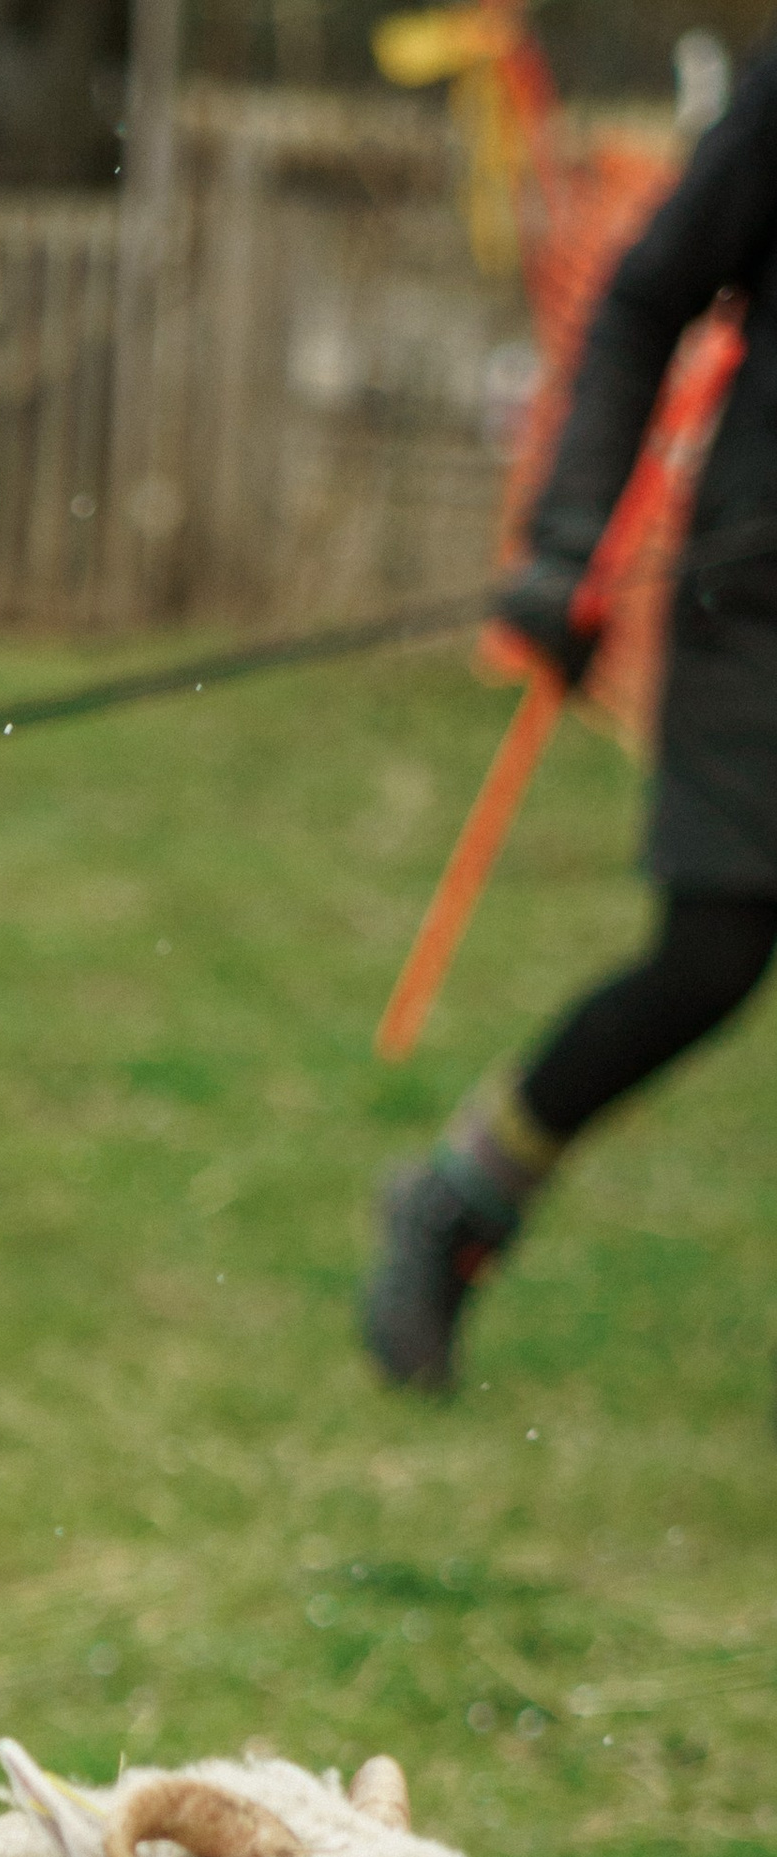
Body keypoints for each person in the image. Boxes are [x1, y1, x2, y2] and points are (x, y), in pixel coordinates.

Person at [363, 43, 777, 1390]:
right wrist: (568, 536)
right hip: (758, 609)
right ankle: (461, 1198)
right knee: (712, 954)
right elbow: (645, 295)